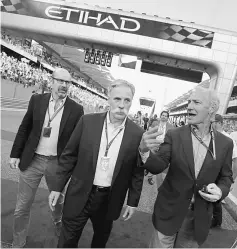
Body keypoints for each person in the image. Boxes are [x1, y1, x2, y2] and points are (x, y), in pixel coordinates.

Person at [48, 79, 144, 248]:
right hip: (80, 193)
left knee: (100, 240)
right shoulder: (87, 122)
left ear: (131, 102)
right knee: (67, 241)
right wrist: (57, 187)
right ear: (108, 98)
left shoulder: (137, 134)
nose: (121, 105)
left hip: (109, 199)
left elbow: (137, 171)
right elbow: (69, 156)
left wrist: (132, 201)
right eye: (117, 99)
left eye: (127, 100)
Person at [139, 86, 234, 248]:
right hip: (169, 212)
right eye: (189, 102)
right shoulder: (174, 135)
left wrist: (220, 191)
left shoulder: (225, 143)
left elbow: (226, 177)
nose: (189, 106)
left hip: (197, 218)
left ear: (211, 109)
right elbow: (159, 165)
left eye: (196, 102)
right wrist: (144, 151)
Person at [9, 68, 84, 248]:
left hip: (56, 164)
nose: (64, 85)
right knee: (21, 207)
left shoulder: (76, 109)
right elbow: (25, 128)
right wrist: (15, 153)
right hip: (32, 160)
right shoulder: (37, 100)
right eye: (61, 81)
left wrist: (73, 167)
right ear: (52, 81)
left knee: (57, 203)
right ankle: (18, 242)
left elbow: (76, 143)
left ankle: (59, 224)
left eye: (68, 82)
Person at [211, 114, 237, 227]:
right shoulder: (210, 136)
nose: (211, 124)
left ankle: (217, 222)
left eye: (213, 122)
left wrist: (232, 180)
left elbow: (235, 161)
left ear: (219, 123)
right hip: (210, 172)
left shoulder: (229, 140)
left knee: (216, 200)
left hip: (221, 175)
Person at [146, 111, 174, 185]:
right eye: (162, 115)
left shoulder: (171, 127)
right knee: (149, 158)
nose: (164, 117)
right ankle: (147, 168)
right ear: (160, 116)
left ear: (168, 118)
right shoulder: (155, 123)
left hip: (163, 147)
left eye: (165, 116)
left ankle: (150, 177)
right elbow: (150, 132)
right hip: (153, 144)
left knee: (156, 162)